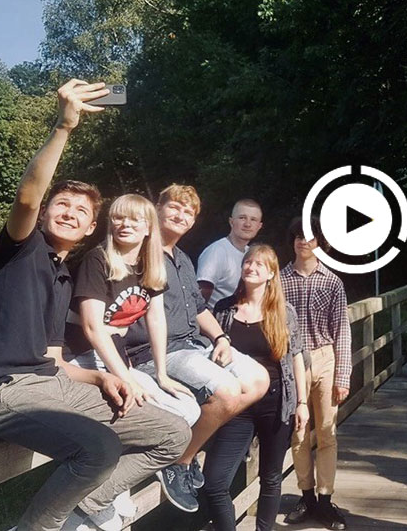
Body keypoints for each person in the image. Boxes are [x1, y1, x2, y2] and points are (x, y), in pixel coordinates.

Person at [0, 80, 190, 531]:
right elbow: (27, 195)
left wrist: (102, 376)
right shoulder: (20, 250)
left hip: (54, 385)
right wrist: (64, 127)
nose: (69, 212)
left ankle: (83, 509)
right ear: (46, 213)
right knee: (99, 448)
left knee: (173, 433)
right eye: (62, 204)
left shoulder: (64, 276)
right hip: (2, 394)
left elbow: (55, 360)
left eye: (82, 211)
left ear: (89, 230)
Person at [128, 185, 270, 512]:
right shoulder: (140, 252)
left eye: (188, 212)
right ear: (157, 208)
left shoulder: (182, 259)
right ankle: (178, 461)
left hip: (193, 345)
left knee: (259, 380)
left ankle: (187, 448)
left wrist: (221, 338)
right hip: (158, 353)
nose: (181, 216)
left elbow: (199, 309)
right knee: (227, 392)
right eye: (174, 207)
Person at [62, 193, 203, 513]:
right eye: (118, 217)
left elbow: (156, 318)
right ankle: (102, 493)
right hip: (80, 355)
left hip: (112, 353)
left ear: (149, 227)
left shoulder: (150, 265)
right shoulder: (98, 260)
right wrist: (127, 379)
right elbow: (92, 328)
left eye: (135, 219)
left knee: (189, 410)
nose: (125, 224)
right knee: (135, 405)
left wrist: (162, 375)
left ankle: (122, 477)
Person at [202, 245, 309, 530]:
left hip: (276, 402)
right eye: (248, 262)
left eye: (260, 264)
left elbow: (297, 356)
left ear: (272, 273)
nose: (251, 268)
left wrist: (302, 403)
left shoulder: (284, 312)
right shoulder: (224, 309)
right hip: (236, 403)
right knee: (214, 481)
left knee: (271, 478)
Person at [282, 217, 351, 530]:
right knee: (299, 433)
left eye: (309, 237)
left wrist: (343, 376)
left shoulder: (332, 281)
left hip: (324, 357)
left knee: (326, 432)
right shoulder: (279, 280)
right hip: (292, 360)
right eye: (298, 236)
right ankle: (306, 497)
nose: (303, 242)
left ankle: (325, 500)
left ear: (320, 243)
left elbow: (342, 331)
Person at [196, 199, 264, 309]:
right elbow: (199, 302)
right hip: (217, 318)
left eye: (253, 219)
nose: (247, 224)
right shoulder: (216, 252)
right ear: (231, 222)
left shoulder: (252, 255)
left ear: (259, 226)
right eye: (242, 218)